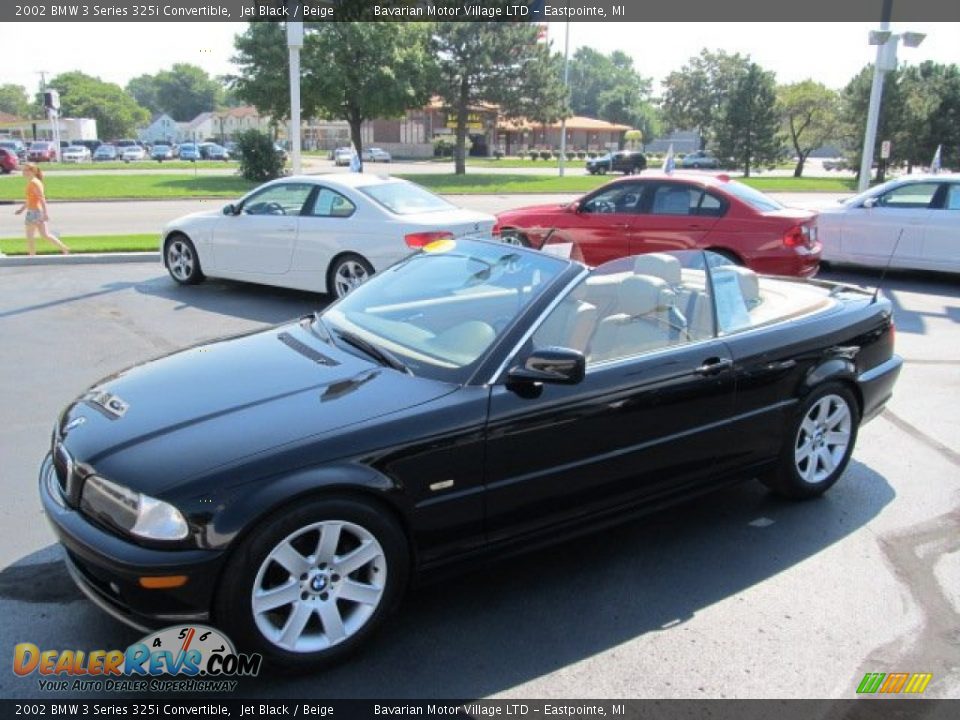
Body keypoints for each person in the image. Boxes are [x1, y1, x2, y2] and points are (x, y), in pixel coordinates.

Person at [14, 163, 70, 255]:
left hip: (34, 212)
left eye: (26, 170)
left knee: (30, 236)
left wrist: (46, 213)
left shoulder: (34, 183)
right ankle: (64, 248)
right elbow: (30, 199)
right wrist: (22, 209)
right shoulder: (35, 182)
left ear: (32, 171)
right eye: (23, 170)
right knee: (45, 234)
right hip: (37, 211)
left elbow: (41, 198)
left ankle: (32, 256)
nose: (23, 172)